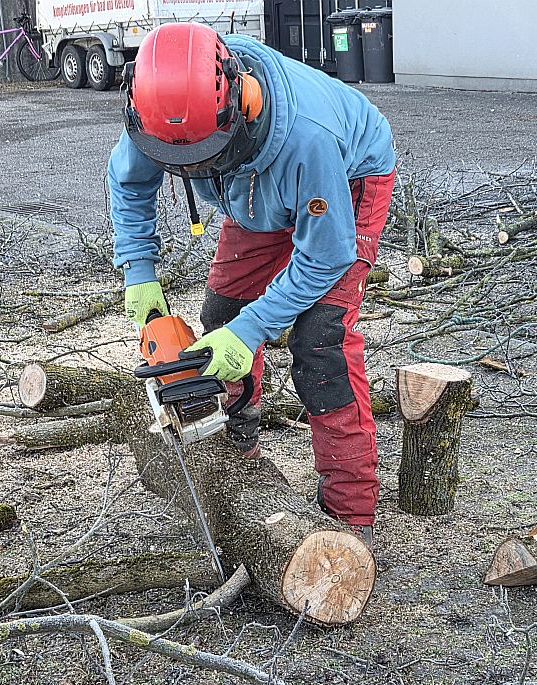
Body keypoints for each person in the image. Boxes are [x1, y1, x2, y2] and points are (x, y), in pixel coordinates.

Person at [108, 22, 395, 547]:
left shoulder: (311, 137)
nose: (190, 169)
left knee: (320, 342)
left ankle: (351, 513)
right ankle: (237, 458)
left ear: (242, 104)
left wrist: (257, 328)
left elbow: (326, 257)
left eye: (202, 158)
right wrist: (139, 271)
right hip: (252, 185)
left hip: (345, 180)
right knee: (221, 316)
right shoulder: (161, 111)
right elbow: (129, 182)